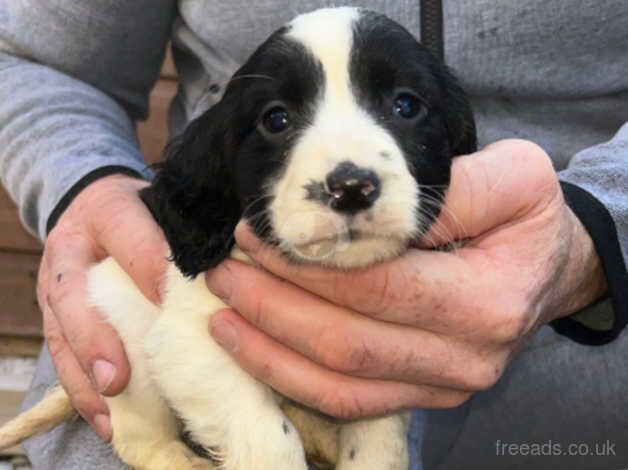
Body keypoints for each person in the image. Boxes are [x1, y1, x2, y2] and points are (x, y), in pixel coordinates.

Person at [0, 1, 626, 469]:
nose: (348, 177)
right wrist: (85, 183)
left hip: (582, 369)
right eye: (277, 118)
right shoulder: (213, 196)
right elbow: (31, 60)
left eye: (404, 106)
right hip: (174, 353)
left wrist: (597, 229)